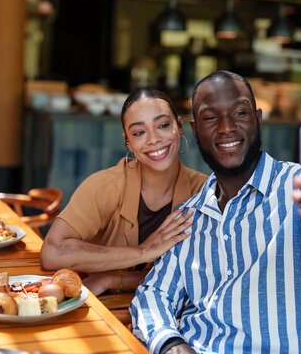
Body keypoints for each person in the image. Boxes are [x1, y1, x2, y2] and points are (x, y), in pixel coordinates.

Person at [130, 71, 301, 354]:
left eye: (239, 113)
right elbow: (154, 294)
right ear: (195, 129)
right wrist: (171, 344)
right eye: (211, 117)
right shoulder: (189, 215)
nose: (226, 128)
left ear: (257, 120)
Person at [40, 89, 208, 296]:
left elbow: (201, 275)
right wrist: (143, 252)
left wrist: (111, 278)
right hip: (98, 308)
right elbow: (53, 252)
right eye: (139, 132)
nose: (153, 139)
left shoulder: (204, 193)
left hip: (172, 315)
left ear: (179, 127)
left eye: (163, 125)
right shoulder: (105, 186)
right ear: (127, 141)